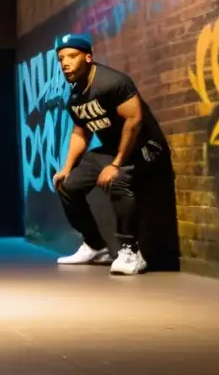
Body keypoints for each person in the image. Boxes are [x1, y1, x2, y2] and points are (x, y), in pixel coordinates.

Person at [51, 33, 170, 276]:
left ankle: (131, 252)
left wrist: (116, 164)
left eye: (72, 56)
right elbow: (79, 133)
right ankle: (96, 246)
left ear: (88, 57)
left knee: (118, 179)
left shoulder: (112, 82)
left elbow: (134, 121)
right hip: (111, 149)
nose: (65, 63)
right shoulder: (76, 94)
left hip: (145, 147)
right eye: (61, 58)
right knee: (67, 185)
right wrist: (66, 168)